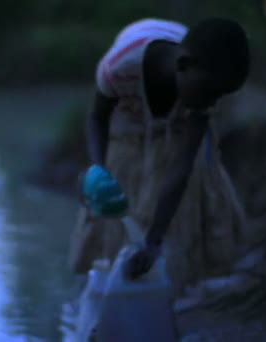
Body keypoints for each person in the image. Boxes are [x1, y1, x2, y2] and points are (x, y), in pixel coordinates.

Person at [69, 17, 250, 294]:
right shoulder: (119, 67)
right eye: (211, 93)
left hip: (176, 122)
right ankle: (113, 289)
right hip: (129, 122)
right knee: (116, 197)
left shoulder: (199, 93)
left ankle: (180, 289)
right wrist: (98, 169)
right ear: (183, 66)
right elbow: (96, 118)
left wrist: (154, 240)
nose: (212, 103)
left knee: (185, 208)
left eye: (219, 96)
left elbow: (181, 166)